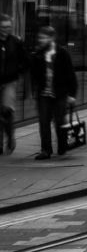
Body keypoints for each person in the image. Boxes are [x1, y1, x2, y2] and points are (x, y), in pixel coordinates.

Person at [30, 26, 77, 160]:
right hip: (44, 94)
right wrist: (36, 58)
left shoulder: (62, 53)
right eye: (40, 37)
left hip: (60, 94)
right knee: (43, 122)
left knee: (60, 121)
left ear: (51, 38)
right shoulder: (38, 54)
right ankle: (46, 150)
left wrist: (72, 95)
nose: (41, 40)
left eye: (43, 38)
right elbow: (34, 74)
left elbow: (70, 75)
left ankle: (62, 145)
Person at [0, 13, 27, 155]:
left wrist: (19, 71)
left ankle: (10, 135)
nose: (6, 29)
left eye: (8, 27)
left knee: (6, 111)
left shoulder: (16, 42)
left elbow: (24, 59)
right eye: (3, 27)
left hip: (10, 81)